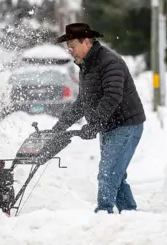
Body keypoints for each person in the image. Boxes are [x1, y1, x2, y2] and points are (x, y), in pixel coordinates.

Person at [52, 23, 146, 214]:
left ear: (86, 41)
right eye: (68, 47)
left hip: (126, 125)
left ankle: (103, 212)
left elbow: (112, 97)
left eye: (72, 46)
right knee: (115, 173)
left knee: (108, 172)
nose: (70, 51)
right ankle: (130, 214)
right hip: (109, 125)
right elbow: (82, 102)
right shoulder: (86, 65)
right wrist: (59, 127)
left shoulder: (110, 62)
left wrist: (94, 125)